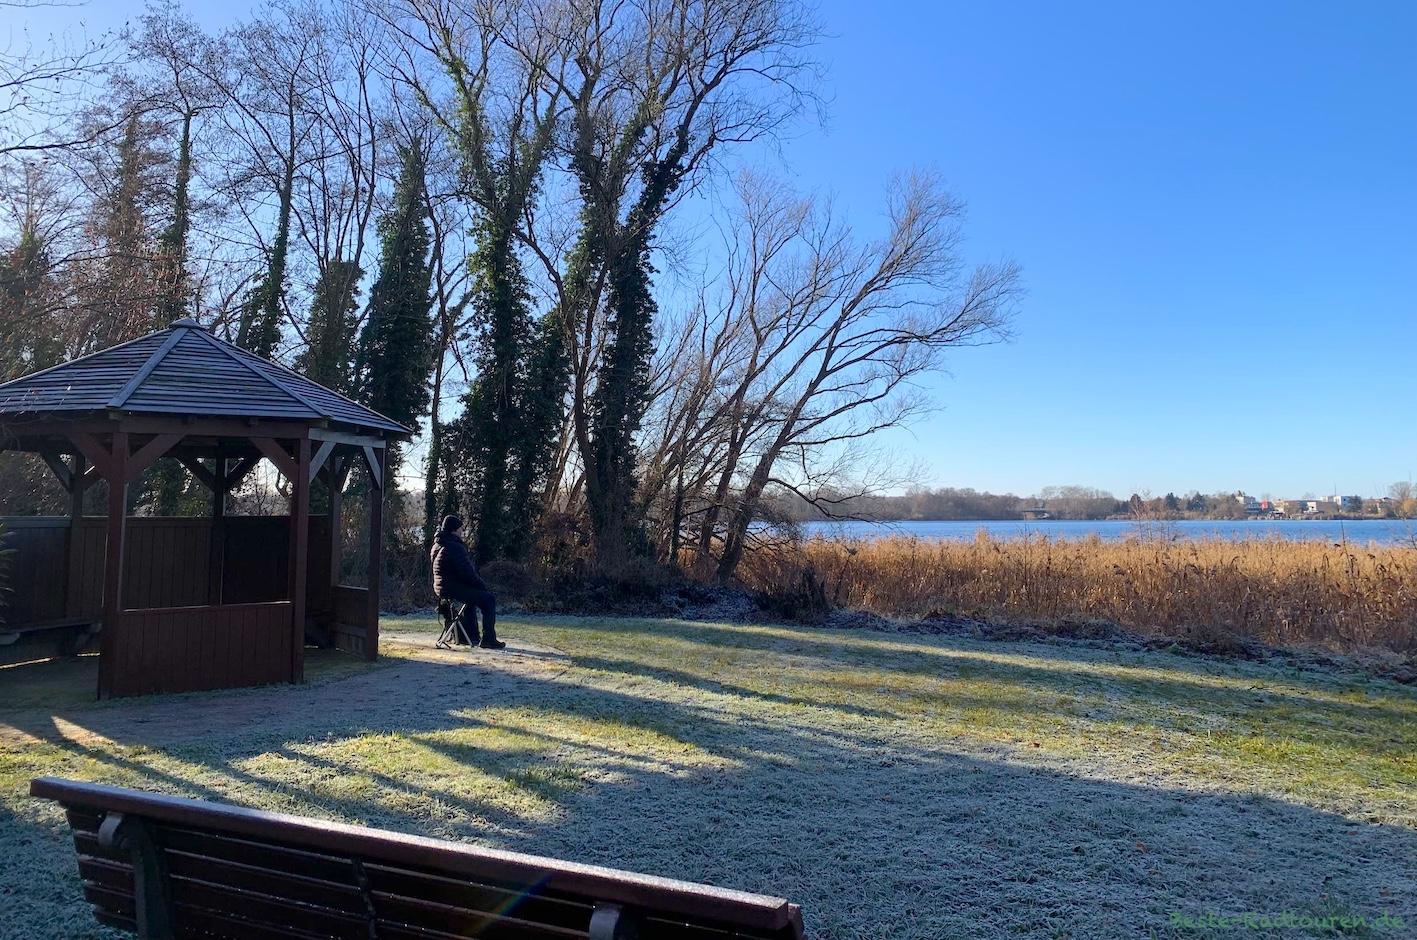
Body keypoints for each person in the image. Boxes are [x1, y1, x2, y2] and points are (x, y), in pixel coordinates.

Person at [430, 515, 505, 650]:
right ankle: (489, 639)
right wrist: (482, 586)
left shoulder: (437, 545)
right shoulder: (455, 547)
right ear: (454, 530)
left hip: (441, 587)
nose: (462, 532)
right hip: (451, 587)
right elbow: (467, 572)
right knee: (488, 600)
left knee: (472, 600)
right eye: (460, 529)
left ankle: (469, 636)